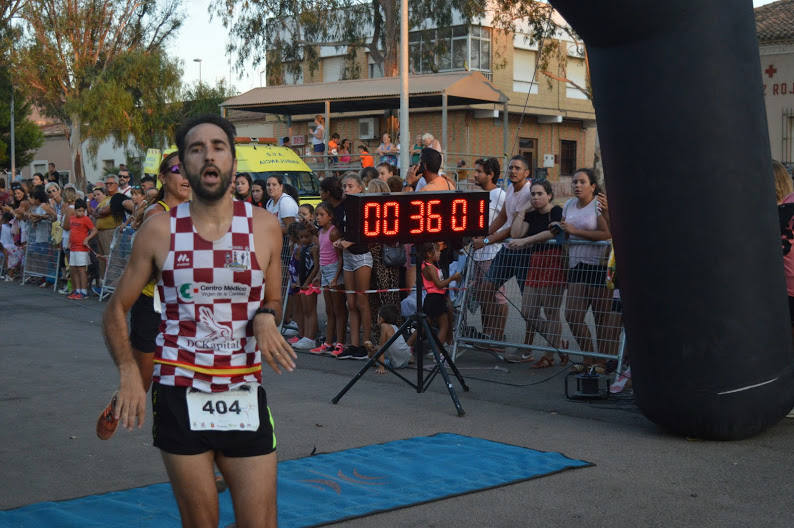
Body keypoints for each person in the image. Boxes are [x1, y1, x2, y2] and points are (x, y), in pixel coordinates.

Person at [101, 114, 295, 528]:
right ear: (185, 168)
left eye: (218, 146)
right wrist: (128, 372)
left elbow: (275, 297)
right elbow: (116, 307)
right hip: (179, 391)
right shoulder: (158, 231)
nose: (208, 155)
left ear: (233, 161)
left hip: (243, 389)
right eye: (196, 148)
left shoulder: (265, 227)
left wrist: (265, 316)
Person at [506, 179, 566, 366]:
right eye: (532, 194)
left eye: (540, 194)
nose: (536, 197)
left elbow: (553, 232)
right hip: (535, 262)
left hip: (553, 260)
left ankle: (549, 355)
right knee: (528, 311)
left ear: (549, 195)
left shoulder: (555, 211)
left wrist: (527, 241)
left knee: (550, 311)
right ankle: (559, 345)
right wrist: (522, 211)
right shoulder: (531, 215)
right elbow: (516, 234)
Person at [478, 155, 533, 349]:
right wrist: (483, 233)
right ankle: (496, 335)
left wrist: (485, 240)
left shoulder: (528, 192)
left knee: (528, 303)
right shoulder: (510, 188)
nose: (513, 171)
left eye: (518, 168)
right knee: (485, 289)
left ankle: (529, 345)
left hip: (524, 251)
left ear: (527, 173)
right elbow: (502, 217)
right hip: (507, 249)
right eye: (511, 168)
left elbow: (511, 229)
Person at [560, 168, 612, 370]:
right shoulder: (568, 204)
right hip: (576, 264)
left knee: (602, 318)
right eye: (574, 182)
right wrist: (562, 230)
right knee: (572, 314)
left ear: (593, 186)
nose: (577, 185)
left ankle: (602, 361)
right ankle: (587, 355)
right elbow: (566, 232)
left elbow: (606, 234)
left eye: (582, 182)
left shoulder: (598, 205)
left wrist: (576, 232)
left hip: (597, 265)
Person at [467, 158, 507, 344]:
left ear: (491, 175)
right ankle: (487, 334)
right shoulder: (479, 196)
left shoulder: (500, 195)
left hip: (493, 255)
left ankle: (498, 336)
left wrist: (486, 241)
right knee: (483, 295)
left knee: (498, 296)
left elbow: (507, 226)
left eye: (479, 171)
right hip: (477, 255)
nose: (475, 174)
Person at [333, 173, 372, 360]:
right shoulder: (342, 207)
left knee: (362, 301)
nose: (346, 190)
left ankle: (367, 344)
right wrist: (341, 240)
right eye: (344, 186)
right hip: (348, 257)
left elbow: (366, 233)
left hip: (362, 256)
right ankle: (354, 344)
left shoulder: (364, 207)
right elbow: (344, 230)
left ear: (360, 188)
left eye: (350, 186)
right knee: (351, 303)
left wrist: (350, 242)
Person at [310, 202, 346, 356]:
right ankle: (328, 342)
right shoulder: (320, 232)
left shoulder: (333, 232)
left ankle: (340, 343)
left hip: (334, 271)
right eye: (317, 215)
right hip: (325, 272)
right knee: (329, 310)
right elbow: (322, 256)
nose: (318, 217)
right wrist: (319, 275)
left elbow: (340, 258)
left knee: (339, 310)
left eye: (321, 215)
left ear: (330, 217)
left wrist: (336, 277)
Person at [415, 242, 461, 348]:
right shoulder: (430, 268)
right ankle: (438, 352)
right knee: (444, 326)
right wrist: (452, 278)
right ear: (429, 254)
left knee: (424, 326)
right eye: (438, 252)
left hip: (432, 298)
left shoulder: (427, 265)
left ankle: (408, 345)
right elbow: (439, 285)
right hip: (435, 298)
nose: (440, 254)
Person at [292, 222, 320, 350]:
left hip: (309, 284)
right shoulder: (301, 248)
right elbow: (301, 268)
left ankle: (310, 338)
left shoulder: (314, 248)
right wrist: (298, 281)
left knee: (311, 310)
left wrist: (307, 282)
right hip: (303, 283)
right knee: (305, 311)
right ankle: (306, 337)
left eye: (306, 237)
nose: (304, 239)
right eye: (301, 237)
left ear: (311, 236)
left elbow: (315, 267)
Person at [364, 304, 412, 374]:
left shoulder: (384, 326)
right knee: (376, 350)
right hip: (405, 360)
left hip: (395, 363)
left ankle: (374, 358)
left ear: (381, 318)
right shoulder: (395, 327)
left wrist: (381, 367)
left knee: (372, 360)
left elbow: (381, 348)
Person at [64, 199, 97, 299]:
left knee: (81, 269)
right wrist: (69, 243)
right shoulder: (72, 219)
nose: (81, 213)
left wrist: (87, 238)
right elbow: (72, 232)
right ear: (75, 210)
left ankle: (83, 291)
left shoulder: (86, 219)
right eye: (78, 211)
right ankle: (77, 290)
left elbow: (94, 230)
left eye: (83, 211)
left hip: (81, 248)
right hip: (73, 248)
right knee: (73, 269)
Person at [94, 175, 123, 280]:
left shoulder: (118, 197)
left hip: (110, 232)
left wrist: (100, 211)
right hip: (101, 232)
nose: (108, 186)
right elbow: (96, 212)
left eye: (111, 183)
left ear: (117, 184)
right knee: (102, 259)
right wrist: (100, 212)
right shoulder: (106, 198)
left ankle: (111, 283)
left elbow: (105, 211)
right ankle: (103, 283)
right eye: (106, 184)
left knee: (111, 258)